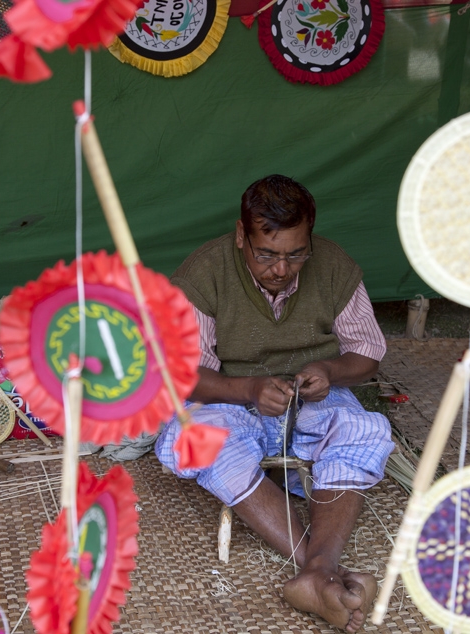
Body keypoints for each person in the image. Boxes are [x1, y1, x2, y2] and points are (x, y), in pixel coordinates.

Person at [156, 175, 394, 632]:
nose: (281, 269)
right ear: (242, 236)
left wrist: (329, 370)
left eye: (295, 254)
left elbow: (367, 354)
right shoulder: (203, 274)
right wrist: (247, 389)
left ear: (310, 239)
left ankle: (315, 575)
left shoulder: (334, 266)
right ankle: (324, 572)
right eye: (266, 254)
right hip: (227, 397)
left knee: (363, 430)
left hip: (310, 397)